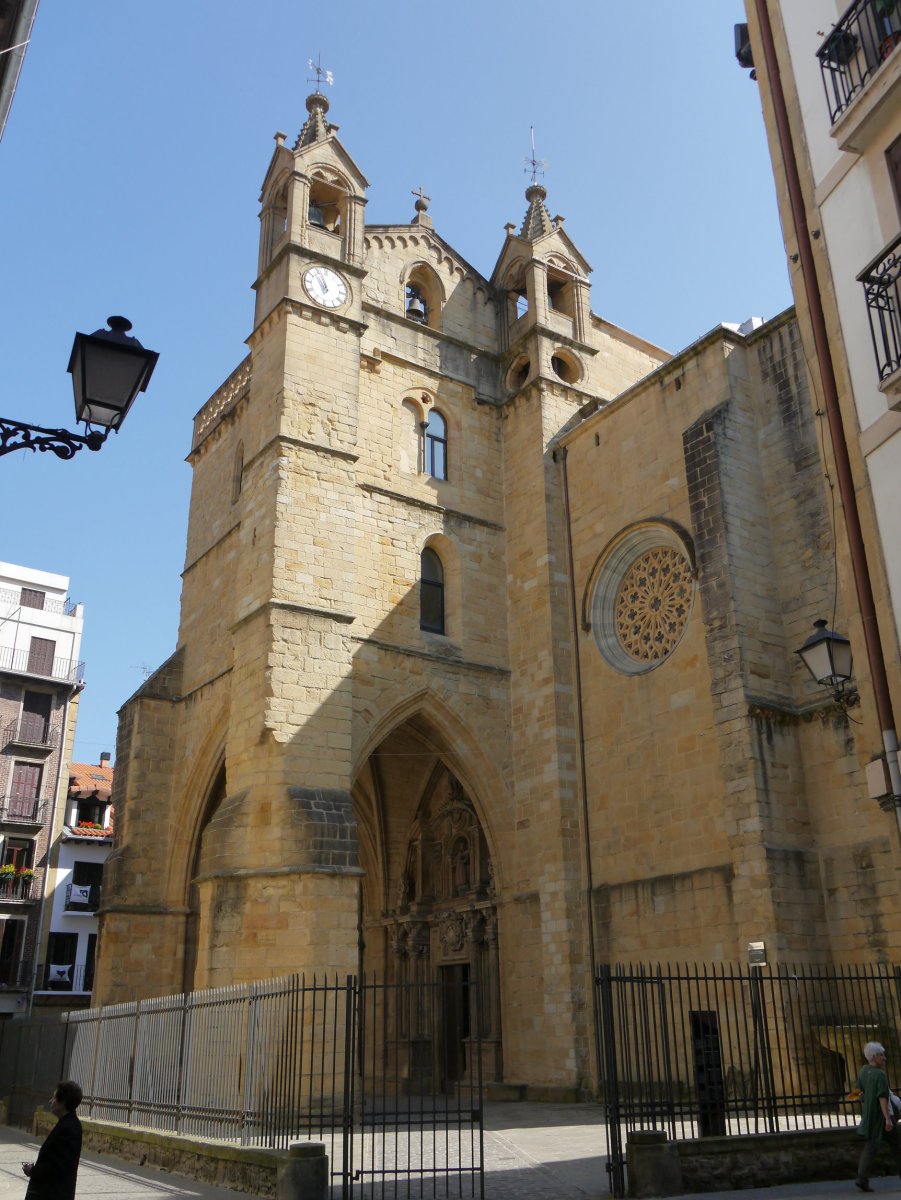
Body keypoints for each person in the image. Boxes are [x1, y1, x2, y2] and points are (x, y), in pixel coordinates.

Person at [21, 1080, 83, 1200]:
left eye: (54, 1098)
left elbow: (57, 1168)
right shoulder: (67, 1124)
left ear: (63, 1102)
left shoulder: (69, 1129)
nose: (50, 1101)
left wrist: (33, 1171)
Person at [855, 1043, 901, 1192]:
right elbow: (883, 1097)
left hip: (870, 1116)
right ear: (874, 1057)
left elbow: (856, 1093)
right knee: (898, 1146)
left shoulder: (863, 1071)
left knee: (871, 1146)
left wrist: (865, 1098)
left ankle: (861, 1178)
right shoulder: (880, 1074)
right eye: (881, 1055)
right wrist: (888, 1118)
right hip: (883, 1117)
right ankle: (861, 1179)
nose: (884, 1058)